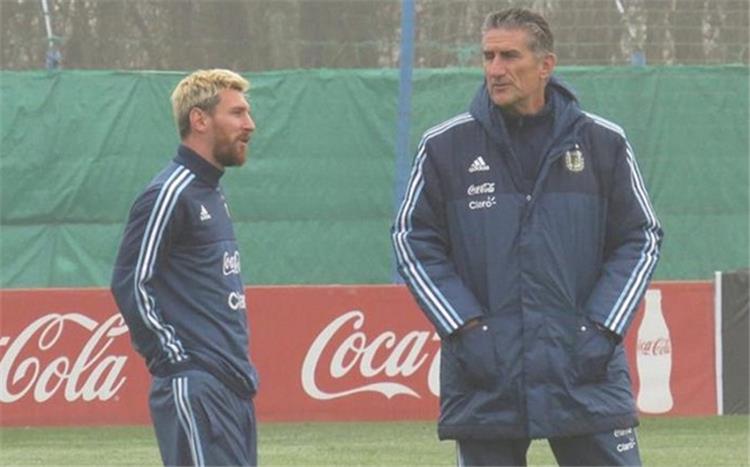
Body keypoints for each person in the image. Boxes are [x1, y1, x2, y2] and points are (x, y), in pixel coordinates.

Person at [392, 8, 663, 467]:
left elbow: (641, 238)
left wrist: (601, 328)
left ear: (545, 65)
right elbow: (412, 242)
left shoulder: (603, 142)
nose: (495, 69)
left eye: (509, 56)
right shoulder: (444, 147)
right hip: (487, 373)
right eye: (488, 57)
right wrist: (466, 329)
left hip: (584, 369)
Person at [111, 69, 259, 466]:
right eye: (237, 113)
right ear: (199, 120)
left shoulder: (210, 191)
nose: (250, 124)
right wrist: (175, 361)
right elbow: (130, 281)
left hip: (232, 387)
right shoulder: (168, 193)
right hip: (197, 385)